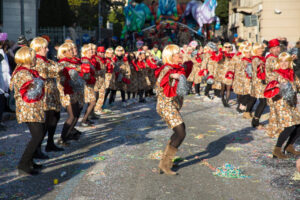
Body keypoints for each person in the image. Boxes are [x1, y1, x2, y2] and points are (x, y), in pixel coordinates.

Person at [10, 47, 45, 175]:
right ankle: (23, 165)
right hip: (28, 108)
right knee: (38, 136)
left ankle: (30, 162)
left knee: (38, 134)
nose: (36, 59)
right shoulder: (22, 73)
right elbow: (32, 89)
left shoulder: (28, 71)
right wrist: (41, 81)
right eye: (34, 57)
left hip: (33, 108)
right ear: (27, 58)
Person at [30, 37, 65, 159]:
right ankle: (37, 149)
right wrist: (59, 67)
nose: (47, 49)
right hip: (45, 94)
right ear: (38, 49)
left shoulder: (46, 60)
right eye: (45, 47)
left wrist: (59, 67)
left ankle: (50, 143)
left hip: (52, 92)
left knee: (55, 117)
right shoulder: (37, 61)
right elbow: (54, 71)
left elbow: (57, 67)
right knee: (46, 122)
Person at [155, 44, 188, 175]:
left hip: (171, 105)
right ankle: (165, 164)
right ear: (170, 57)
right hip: (166, 105)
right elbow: (161, 80)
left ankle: (165, 160)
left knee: (181, 130)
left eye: (180, 52)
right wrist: (173, 76)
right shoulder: (167, 69)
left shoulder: (178, 69)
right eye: (176, 54)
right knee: (181, 133)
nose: (180, 55)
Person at [264, 52, 300, 159]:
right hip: (281, 104)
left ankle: (289, 146)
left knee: (298, 125)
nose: (284, 63)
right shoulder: (275, 74)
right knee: (290, 126)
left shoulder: (291, 73)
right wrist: (278, 85)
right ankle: (277, 149)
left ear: (289, 62)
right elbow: (270, 84)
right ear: (278, 62)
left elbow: (298, 85)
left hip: (292, 104)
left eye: (286, 61)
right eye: (281, 61)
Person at [57, 43, 83, 146]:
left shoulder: (71, 62)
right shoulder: (63, 63)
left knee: (76, 114)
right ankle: (62, 138)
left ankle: (69, 133)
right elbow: (61, 80)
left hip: (73, 91)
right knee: (72, 116)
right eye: (70, 50)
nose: (73, 52)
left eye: (73, 50)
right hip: (66, 92)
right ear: (64, 53)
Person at [248, 43, 267, 129]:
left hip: (259, 83)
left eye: (262, 49)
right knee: (263, 102)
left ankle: (255, 120)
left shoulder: (260, 58)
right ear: (255, 50)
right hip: (259, 83)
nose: (262, 50)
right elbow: (258, 69)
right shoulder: (256, 59)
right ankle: (255, 121)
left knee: (262, 102)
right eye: (259, 49)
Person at [80, 44, 97, 126]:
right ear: (85, 51)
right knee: (92, 102)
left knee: (91, 102)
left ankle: (86, 118)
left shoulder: (89, 60)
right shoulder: (85, 60)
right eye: (90, 50)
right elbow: (85, 74)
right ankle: (84, 120)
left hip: (90, 83)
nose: (92, 51)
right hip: (87, 84)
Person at [0, 33, 11, 131]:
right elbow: (4, 68)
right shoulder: (0, 53)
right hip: (1, 80)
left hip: (4, 79)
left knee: (2, 101)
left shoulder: (3, 52)